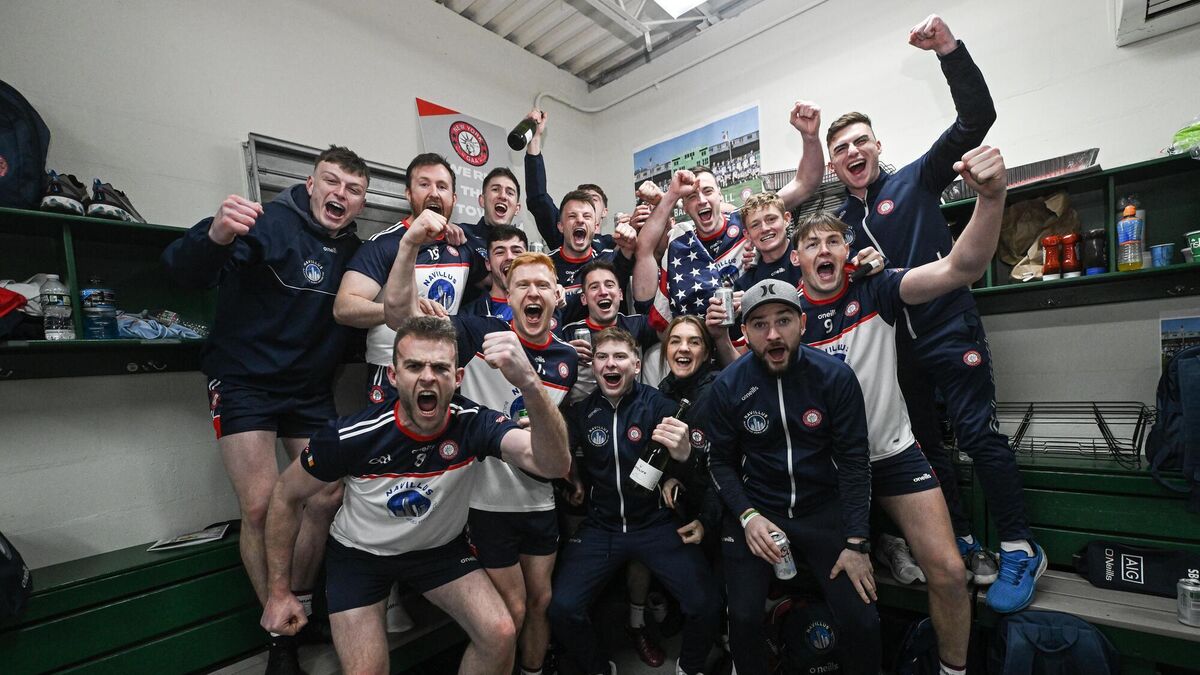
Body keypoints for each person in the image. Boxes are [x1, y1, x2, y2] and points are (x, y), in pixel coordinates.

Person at [826, 13, 1042, 612]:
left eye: (861, 141)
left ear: (877, 147)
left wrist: (949, 50)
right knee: (926, 445)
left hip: (949, 328)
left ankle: (1020, 546)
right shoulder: (838, 226)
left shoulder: (916, 180)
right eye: (840, 149)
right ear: (834, 165)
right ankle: (964, 541)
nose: (852, 152)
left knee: (977, 434)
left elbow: (976, 119)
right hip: (897, 353)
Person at [795, 145, 1007, 675]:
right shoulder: (785, 316)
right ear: (797, 258)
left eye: (833, 241)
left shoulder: (878, 289)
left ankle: (952, 670)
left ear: (849, 250)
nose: (824, 250)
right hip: (828, 470)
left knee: (949, 573)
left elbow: (962, 266)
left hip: (892, 455)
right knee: (836, 586)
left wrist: (992, 198)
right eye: (812, 244)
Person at [259, 316, 571, 675]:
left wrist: (530, 384)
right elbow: (285, 495)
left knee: (500, 633)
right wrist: (279, 592)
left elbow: (553, 465)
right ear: (394, 376)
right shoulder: (352, 436)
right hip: (361, 556)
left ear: (457, 377)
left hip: (437, 552)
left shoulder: (472, 423)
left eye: (440, 367)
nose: (427, 377)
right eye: (414, 366)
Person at [161, 145, 369, 673]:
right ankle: (279, 633)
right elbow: (181, 269)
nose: (340, 194)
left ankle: (298, 601)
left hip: (307, 387)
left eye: (353, 189)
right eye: (331, 181)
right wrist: (214, 236)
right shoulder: (267, 222)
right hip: (244, 381)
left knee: (326, 495)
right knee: (259, 506)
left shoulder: (356, 251)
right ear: (311, 184)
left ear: (361, 202)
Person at [384, 224, 576, 675]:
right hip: (486, 503)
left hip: (539, 498)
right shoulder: (479, 333)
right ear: (508, 296)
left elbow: (561, 429)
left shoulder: (567, 358)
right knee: (513, 608)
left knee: (541, 600)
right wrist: (409, 245)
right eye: (522, 285)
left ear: (558, 296)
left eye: (542, 285)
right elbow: (399, 316)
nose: (532, 292)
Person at [698, 279, 879, 674]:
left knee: (863, 619)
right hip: (759, 511)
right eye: (759, 324)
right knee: (743, 618)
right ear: (744, 333)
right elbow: (720, 463)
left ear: (803, 323)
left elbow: (854, 461)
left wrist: (856, 542)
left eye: (783, 320)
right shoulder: (728, 386)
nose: (773, 334)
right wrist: (748, 516)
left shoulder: (835, 377)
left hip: (822, 511)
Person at [551, 328, 719, 675]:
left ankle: (689, 667)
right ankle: (599, 668)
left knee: (706, 604)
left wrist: (685, 457)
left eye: (620, 357)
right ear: (594, 366)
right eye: (602, 357)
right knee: (562, 608)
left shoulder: (660, 407)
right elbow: (563, 457)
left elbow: (699, 468)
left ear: (637, 365)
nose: (610, 364)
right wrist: (574, 479)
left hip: (654, 524)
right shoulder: (583, 412)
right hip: (602, 527)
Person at [631, 101, 825, 332]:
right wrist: (670, 195)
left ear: (720, 195)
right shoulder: (682, 241)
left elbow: (805, 183)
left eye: (708, 191)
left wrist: (810, 137)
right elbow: (644, 248)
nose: (701, 200)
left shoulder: (748, 219)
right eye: (692, 196)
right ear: (685, 206)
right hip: (703, 339)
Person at [334, 153, 484, 405]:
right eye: (424, 184)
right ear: (408, 194)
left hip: (442, 368)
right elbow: (343, 308)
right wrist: (399, 310)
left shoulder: (462, 245)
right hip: (391, 371)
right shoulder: (385, 244)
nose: (434, 193)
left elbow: (500, 281)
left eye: (442, 186)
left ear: (454, 198)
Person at [557, 259, 658, 403]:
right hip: (583, 411)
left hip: (631, 409)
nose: (603, 292)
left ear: (620, 294)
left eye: (609, 285)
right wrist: (565, 355)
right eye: (594, 287)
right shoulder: (568, 334)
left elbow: (672, 328)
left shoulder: (638, 324)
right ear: (584, 299)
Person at [521, 109, 615, 251]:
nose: (587, 203)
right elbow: (539, 199)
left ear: (604, 212)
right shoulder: (563, 236)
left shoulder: (615, 245)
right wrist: (534, 139)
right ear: (561, 225)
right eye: (581, 200)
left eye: (593, 199)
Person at [549, 190, 636, 325]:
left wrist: (633, 232)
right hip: (563, 337)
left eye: (587, 216)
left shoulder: (609, 260)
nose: (580, 220)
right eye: (572, 216)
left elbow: (649, 252)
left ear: (595, 226)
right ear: (561, 226)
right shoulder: (545, 266)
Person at [462, 224, 528, 320]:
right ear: (488, 264)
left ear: (528, 260)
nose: (509, 257)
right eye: (500, 252)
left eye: (517, 251)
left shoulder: (546, 309)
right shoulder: (467, 317)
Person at [460, 166, 524, 260]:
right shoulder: (460, 234)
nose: (503, 196)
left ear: (517, 209)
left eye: (510, 193)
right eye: (495, 189)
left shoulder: (523, 253)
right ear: (482, 200)